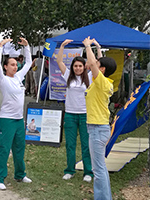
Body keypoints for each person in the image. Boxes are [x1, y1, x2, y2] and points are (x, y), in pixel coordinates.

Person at [57, 39, 100, 183]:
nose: (77, 68)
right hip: (69, 114)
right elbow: (59, 62)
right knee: (70, 144)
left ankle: (88, 172)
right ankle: (70, 170)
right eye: (75, 66)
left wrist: (97, 48)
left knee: (86, 144)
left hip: (84, 115)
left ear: (84, 67)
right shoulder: (68, 76)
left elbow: (98, 64)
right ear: (73, 67)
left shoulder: (89, 77)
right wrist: (62, 46)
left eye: (80, 66)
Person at [0, 38, 33, 190]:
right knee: (4, 148)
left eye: (16, 65)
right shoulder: (3, 79)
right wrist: (1, 47)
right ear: (5, 67)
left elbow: (29, 63)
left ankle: (20, 174)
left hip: (18, 119)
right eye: (12, 65)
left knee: (19, 148)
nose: (15, 67)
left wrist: (27, 46)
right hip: (7, 119)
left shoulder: (18, 78)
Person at [83, 36, 117, 200]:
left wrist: (87, 46)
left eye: (97, 65)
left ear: (101, 70)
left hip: (98, 129)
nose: (92, 65)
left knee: (98, 169)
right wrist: (97, 48)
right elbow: (96, 62)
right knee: (100, 167)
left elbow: (92, 62)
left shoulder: (101, 82)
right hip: (97, 128)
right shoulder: (104, 82)